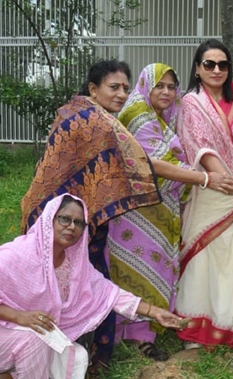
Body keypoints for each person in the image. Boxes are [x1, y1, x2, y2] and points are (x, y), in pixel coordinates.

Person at [19, 60, 168, 367]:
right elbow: (131, 160)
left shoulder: (72, 112)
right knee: (79, 283)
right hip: (70, 220)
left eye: (126, 88)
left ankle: (68, 357)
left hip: (59, 215)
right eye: (113, 87)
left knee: (70, 282)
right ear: (93, 89)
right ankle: (84, 359)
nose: (122, 94)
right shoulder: (96, 121)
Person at [0, 194, 184, 379]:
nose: (72, 227)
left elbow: (111, 294)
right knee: (34, 340)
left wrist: (155, 312)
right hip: (12, 333)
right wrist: (19, 316)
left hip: (30, 336)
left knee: (76, 355)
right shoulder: (16, 255)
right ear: (49, 219)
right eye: (65, 219)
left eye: (79, 223)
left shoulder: (75, 265)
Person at [106, 63, 214, 361]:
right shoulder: (137, 115)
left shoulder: (164, 120)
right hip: (136, 212)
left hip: (161, 211)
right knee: (131, 268)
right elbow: (155, 162)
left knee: (156, 270)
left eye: (171, 86)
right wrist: (203, 177)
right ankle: (122, 335)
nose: (166, 92)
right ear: (145, 87)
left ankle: (144, 334)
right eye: (159, 86)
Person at [174, 39, 233, 356]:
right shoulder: (190, 103)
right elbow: (198, 146)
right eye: (209, 64)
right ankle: (198, 327)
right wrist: (227, 184)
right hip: (210, 188)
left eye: (222, 64)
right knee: (203, 258)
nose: (216, 70)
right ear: (197, 69)